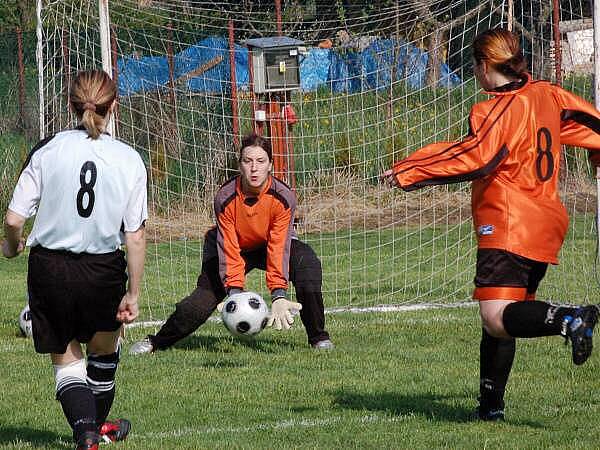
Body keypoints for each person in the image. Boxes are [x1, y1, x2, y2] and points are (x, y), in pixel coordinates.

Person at [382, 28, 600, 421]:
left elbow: (476, 156)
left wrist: (407, 169)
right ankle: (490, 407)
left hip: (509, 223)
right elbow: (592, 124)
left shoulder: (493, 110)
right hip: (547, 221)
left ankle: (570, 318)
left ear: (484, 67)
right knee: (503, 315)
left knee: (497, 317)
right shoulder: (547, 94)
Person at [2, 70, 147, 450]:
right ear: (114, 106)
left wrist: (11, 246)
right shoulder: (129, 159)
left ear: (70, 105)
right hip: (102, 268)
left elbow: (14, 219)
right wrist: (133, 292)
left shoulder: (48, 149)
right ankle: (92, 432)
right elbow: (134, 234)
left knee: (67, 359)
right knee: (104, 351)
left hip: (49, 267)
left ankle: (86, 433)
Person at [130, 133, 333, 355]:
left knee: (308, 265)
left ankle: (319, 338)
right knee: (200, 303)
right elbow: (229, 248)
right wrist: (235, 293)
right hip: (232, 248)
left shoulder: (284, 197)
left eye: (260, 161)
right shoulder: (225, 197)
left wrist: (278, 294)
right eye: (248, 161)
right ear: (240, 165)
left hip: (269, 245)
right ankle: (156, 342)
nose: (254, 168)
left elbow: (278, 246)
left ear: (270, 165)